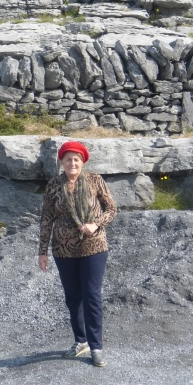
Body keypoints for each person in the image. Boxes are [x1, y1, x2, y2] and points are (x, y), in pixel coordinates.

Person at [38, 141, 117, 367]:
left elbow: (111, 209)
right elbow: (46, 219)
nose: (72, 163)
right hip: (63, 248)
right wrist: (42, 251)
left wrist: (96, 224)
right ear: (61, 162)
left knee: (92, 295)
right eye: (68, 159)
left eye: (76, 159)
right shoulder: (53, 185)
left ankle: (96, 347)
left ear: (82, 161)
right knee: (73, 297)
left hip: (94, 245)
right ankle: (80, 341)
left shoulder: (95, 180)